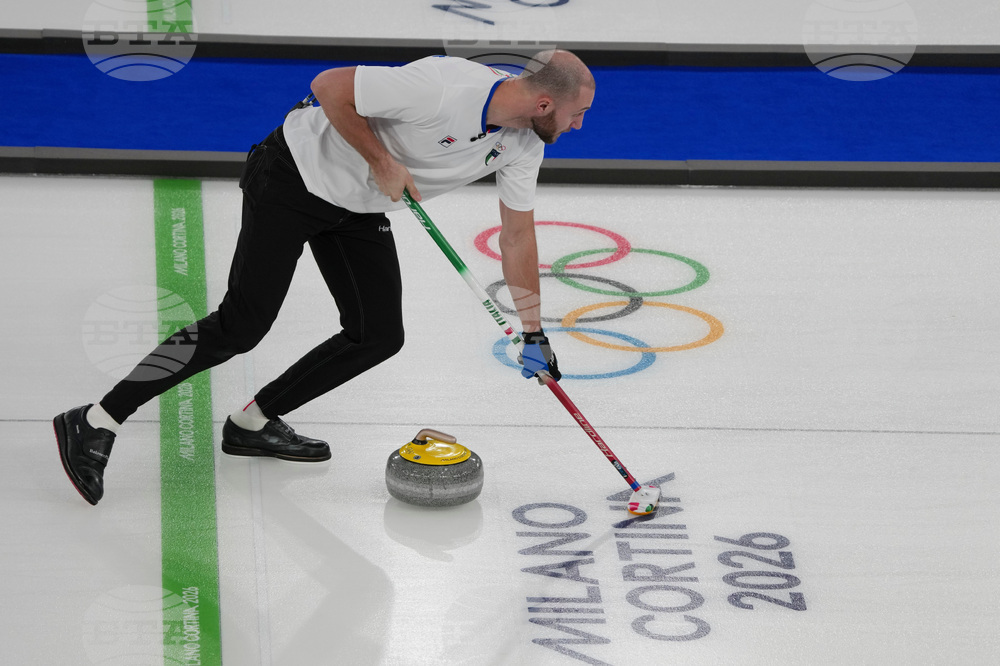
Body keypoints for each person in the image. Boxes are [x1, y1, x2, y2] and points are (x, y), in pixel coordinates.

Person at [53, 49, 596, 505]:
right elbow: (331, 85)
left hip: (356, 207)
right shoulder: (445, 85)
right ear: (544, 102)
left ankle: (252, 423)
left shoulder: (525, 142)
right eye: (577, 114)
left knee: (377, 334)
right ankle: (98, 418)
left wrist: (533, 331)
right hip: (292, 175)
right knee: (242, 324)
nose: (579, 126)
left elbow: (518, 237)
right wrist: (383, 160)